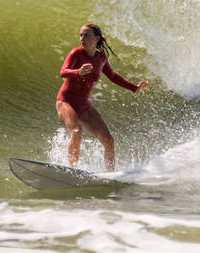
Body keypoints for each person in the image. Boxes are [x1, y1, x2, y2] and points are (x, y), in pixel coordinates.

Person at [56, 23, 150, 171]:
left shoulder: (101, 57)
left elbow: (112, 76)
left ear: (96, 38)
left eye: (86, 35)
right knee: (76, 132)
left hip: (84, 105)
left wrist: (135, 88)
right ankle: (71, 169)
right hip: (66, 101)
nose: (82, 38)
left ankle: (111, 174)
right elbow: (63, 72)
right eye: (81, 35)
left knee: (108, 140)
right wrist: (78, 72)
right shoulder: (76, 53)